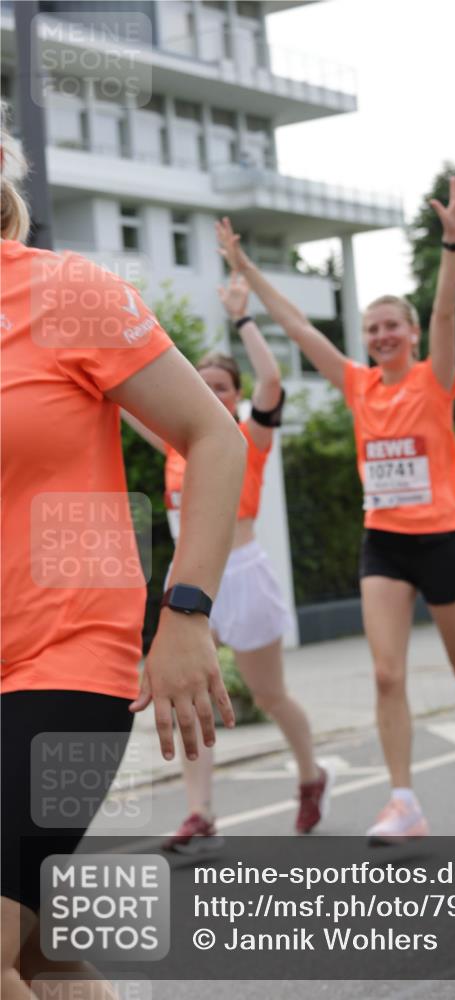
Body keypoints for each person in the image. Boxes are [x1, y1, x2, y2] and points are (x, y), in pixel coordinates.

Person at [1, 112, 246, 998]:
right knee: (37, 957)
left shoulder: (67, 293)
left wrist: (186, 613)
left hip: (62, 659)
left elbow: (215, 437)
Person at [217, 178, 455, 843]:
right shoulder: (356, 385)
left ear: (410, 334)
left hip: (445, 541)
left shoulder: (433, 380)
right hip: (383, 543)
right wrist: (244, 271)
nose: (382, 335)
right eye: (372, 329)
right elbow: (298, 327)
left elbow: (446, 314)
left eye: (392, 326)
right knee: (386, 673)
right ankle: (404, 801)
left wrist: (452, 243)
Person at [125, 263, 333, 843]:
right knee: (188, 699)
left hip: (243, 574)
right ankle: (201, 812)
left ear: (236, 398)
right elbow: (118, 394)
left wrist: (242, 316)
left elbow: (271, 380)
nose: (212, 395)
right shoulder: (174, 440)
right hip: (189, 581)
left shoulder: (248, 439)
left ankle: (311, 775)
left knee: (269, 693)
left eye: (222, 388)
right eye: (203, 386)